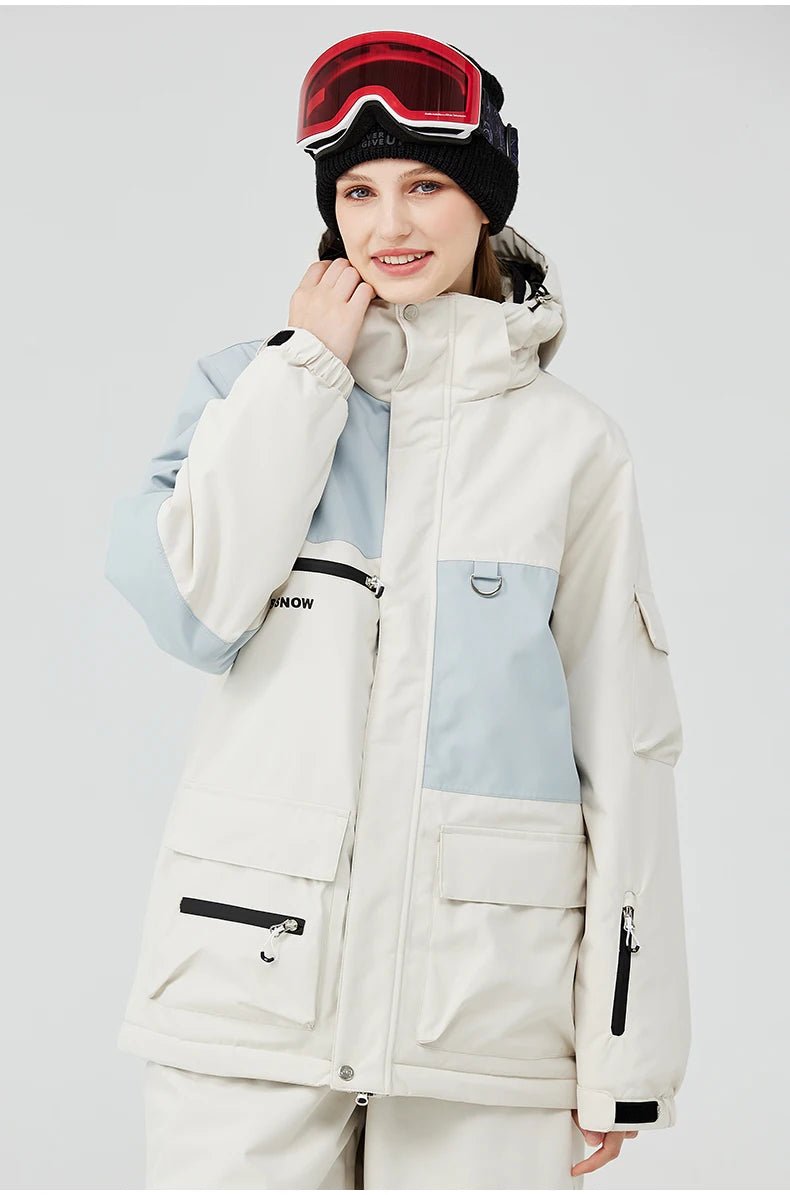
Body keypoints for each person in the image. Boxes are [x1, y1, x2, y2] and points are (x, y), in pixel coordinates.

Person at [105, 30, 691, 1190]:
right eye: (358, 192)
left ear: (484, 205)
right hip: (249, 989)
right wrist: (305, 374)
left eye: (425, 184)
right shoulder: (248, 389)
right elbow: (194, 612)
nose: (389, 223)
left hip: (482, 1007)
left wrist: (624, 1049)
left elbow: (623, 745)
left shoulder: (569, 447)